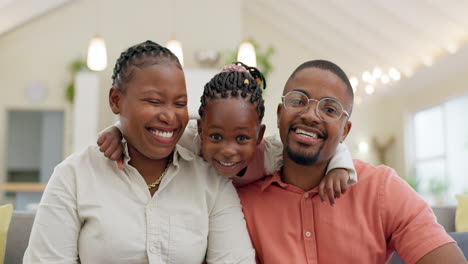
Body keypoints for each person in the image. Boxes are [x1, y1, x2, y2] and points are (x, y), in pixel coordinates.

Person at [23, 40, 255, 263]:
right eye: (154, 101)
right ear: (116, 100)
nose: (169, 116)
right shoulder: (73, 177)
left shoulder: (210, 181)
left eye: (179, 103)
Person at [236, 60, 467, 264]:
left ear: (345, 130)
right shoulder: (241, 201)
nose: (310, 115)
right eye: (298, 101)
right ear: (279, 114)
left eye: (329, 109)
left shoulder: (381, 189)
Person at [98, 62, 357, 205]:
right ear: (200, 130)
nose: (228, 150)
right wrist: (117, 132)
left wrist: (339, 169)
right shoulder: (189, 141)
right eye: (216, 137)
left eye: (242, 138)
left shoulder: (269, 153)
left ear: (259, 136)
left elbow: (324, 144)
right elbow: (157, 127)